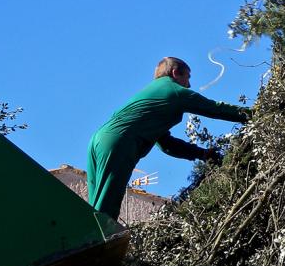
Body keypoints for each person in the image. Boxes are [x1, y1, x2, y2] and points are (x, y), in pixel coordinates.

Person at [87, 56, 250, 220]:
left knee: (94, 206)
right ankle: (101, 241)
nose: (189, 85)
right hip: (119, 142)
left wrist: (201, 153)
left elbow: (167, 144)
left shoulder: (152, 94)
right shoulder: (175, 91)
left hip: (98, 140)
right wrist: (254, 114)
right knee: (107, 206)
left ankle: (87, 240)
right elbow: (215, 109)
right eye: (187, 78)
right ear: (175, 73)